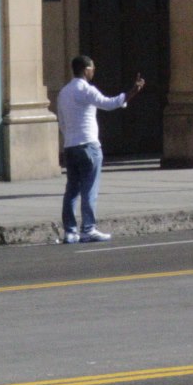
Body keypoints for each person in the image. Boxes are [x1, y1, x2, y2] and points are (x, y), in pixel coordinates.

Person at [55, 55, 144, 244]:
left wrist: (69, 138)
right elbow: (109, 104)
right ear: (86, 70)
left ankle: (70, 231)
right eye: (92, 68)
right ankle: (88, 229)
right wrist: (133, 91)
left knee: (72, 190)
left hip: (70, 146)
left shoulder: (64, 92)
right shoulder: (86, 90)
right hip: (88, 145)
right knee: (89, 190)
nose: (94, 71)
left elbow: (62, 121)